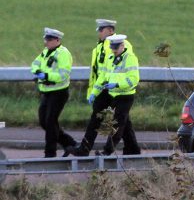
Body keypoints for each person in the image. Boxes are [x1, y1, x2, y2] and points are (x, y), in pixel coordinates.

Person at [70, 19, 134, 156]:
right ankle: (131, 148)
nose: (99, 32)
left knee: (117, 120)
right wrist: (93, 91)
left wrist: (116, 84)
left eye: (101, 29)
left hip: (117, 89)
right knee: (112, 119)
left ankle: (90, 149)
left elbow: (126, 70)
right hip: (104, 88)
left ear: (110, 30)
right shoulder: (98, 47)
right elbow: (98, 72)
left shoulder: (122, 44)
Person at [89, 34, 141, 155]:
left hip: (125, 95)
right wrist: (94, 93)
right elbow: (102, 77)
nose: (113, 50)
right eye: (112, 47)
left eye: (116, 48)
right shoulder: (111, 57)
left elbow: (134, 79)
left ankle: (107, 151)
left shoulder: (130, 58)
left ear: (122, 45)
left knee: (117, 123)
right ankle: (133, 150)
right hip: (113, 95)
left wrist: (117, 84)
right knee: (124, 124)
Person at [30, 27, 77, 157]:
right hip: (46, 92)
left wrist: (46, 76)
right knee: (44, 121)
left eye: (49, 40)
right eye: (46, 39)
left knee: (50, 122)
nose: (46, 42)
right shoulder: (45, 52)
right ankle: (69, 143)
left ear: (57, 40)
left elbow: (63, 74)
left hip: (59, 92)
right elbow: (34, 64)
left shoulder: (63, 53)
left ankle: (50, 153)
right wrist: (37, 71)